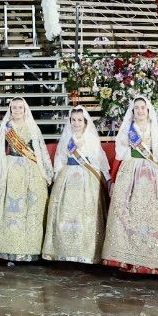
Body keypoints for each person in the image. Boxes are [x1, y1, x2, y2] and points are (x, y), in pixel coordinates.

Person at [101, 96, 158, 275]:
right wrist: (113, 180)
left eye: (143, 107)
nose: (140, 111)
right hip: (130, 173)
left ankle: (154, 261)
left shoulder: (157, 130)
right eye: (137, 108)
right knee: (127, 213)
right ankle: (126, 259)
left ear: (148, 110)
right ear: (133, 111)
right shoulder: (127, 131)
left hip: (154, 175)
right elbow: (119, 157)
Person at [0, 98, 53, 262]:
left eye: (20, 107)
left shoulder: (32, 127)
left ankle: (28, 249)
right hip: (9, 166)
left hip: (29, 169)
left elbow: (40, 151)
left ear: (25, 109)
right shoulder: (6, 126)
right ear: (10, 109)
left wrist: (45, 172)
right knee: (2, 204)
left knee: (32, 204)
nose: (17, 110)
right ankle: (2, 248)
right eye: (14, 108)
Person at [42, 106, 107, 264]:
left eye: (79, 120)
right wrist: (57, 175)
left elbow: (99, 160)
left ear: (85, 122)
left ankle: (85, 252)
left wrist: (105, 178)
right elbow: (60, 158)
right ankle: (62, 250)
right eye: (73, 120)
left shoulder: (91, 138)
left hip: (87, 179)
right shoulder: (67, 138)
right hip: (67, 177)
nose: (76, 123)